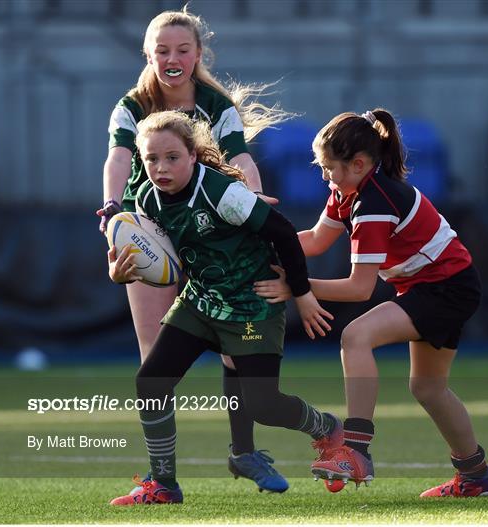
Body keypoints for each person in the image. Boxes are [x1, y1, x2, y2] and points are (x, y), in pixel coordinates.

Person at [254, 109, 488, 497]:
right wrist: (263, 245)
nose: (324, 176)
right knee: (428, 388)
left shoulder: (374, 203)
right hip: (441, 285)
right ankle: (476, 475)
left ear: (358, 163)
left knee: (356, 337)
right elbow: (318, 239)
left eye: (329, 167)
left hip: (445, 288)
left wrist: (296, 287)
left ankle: (354, 450)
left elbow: (359, 289)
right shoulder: (348, 190)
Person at [97, 6, 292, 492]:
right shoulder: (132, 104)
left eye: (183, 49)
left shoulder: (214, 104)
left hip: (211, 236)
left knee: (234, 353)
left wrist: (251, 197)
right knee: (154, 367)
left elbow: (240, 157)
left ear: (199, 53)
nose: (172, 57)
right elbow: (119, 156)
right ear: (148, 55)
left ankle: (243, 453)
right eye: (162, 50)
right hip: (152, 235)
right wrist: (111, 207)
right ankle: (162, 479)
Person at [106, 110, 341, 505]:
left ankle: (328, 428)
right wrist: (119, 272)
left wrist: (301, 293)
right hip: (201, 300)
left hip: (252, 304)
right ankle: (163, 484)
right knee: (151, 381)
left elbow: (282, 231)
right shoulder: (146, 197)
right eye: (151, 159)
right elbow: (155, 257)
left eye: (172, 157)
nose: (160, 168)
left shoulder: (221, 193)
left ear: (193, 156)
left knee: (264, 405)